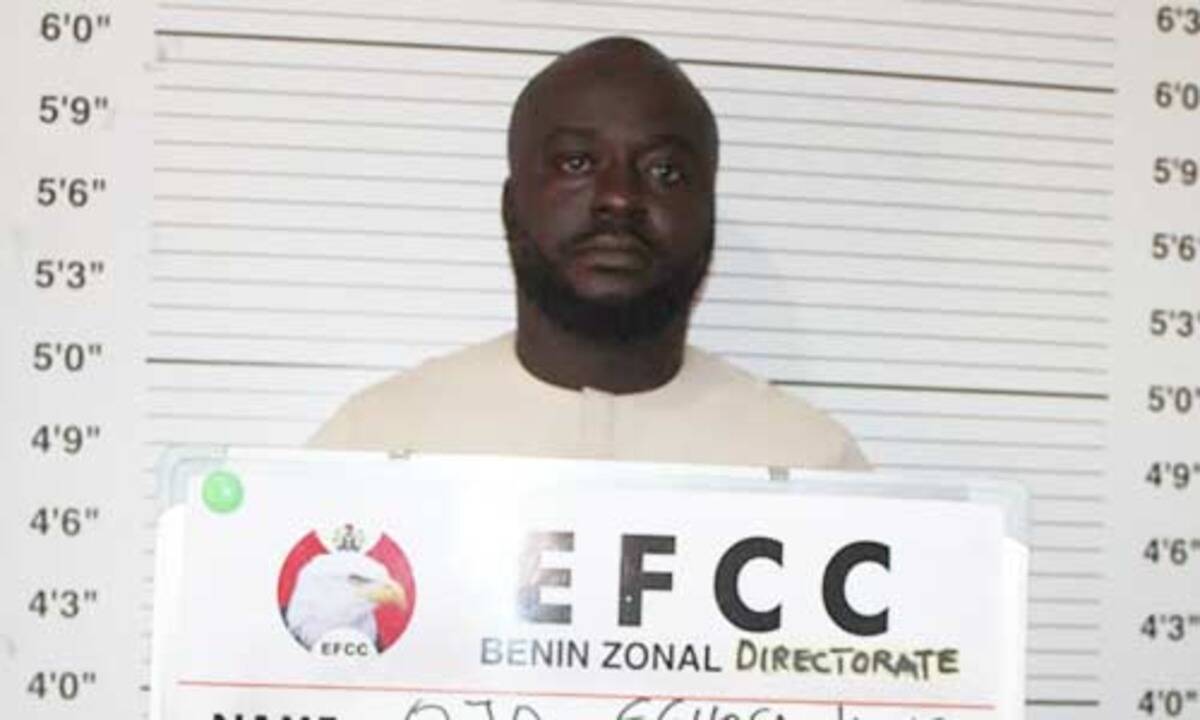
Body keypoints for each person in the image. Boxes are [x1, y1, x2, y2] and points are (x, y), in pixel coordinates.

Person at [310, 36, 869, 470]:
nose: (619, 198)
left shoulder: (813, 464)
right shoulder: (374, 446)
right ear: (511, 207)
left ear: (709, 216)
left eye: (665, 171)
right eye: (576, 163)